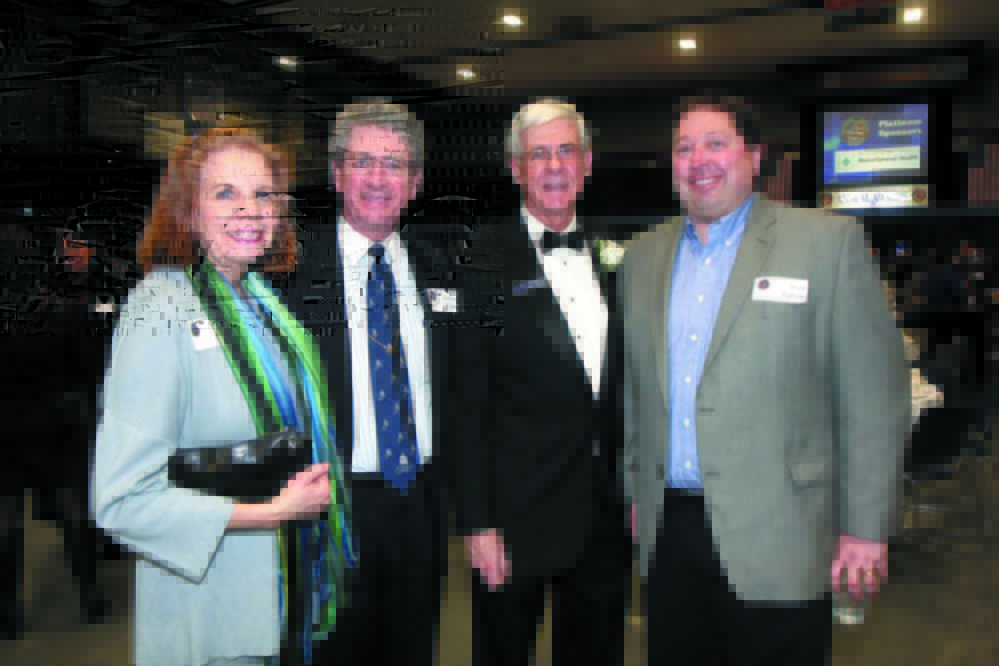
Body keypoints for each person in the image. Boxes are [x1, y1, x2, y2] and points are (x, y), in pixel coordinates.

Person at [619, 95, 911, 666]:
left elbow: (874, 396)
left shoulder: (827, 244)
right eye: (684, 148)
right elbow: (634, 388)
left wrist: (865, 527)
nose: (698, 159)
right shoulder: (641, 257)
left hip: (782, 530)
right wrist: (635, 487)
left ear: (754, 156)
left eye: (716, 143)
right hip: (670, 532)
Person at [92, 128, 354, 666]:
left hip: (273, 588)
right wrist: (271, 510)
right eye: (225, 193)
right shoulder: (159, 307)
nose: (250, 210)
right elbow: (121, 500)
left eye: (263, 195)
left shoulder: (258, 303)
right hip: (210, 603)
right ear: (187, 211)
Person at [279, 100, 463, 666]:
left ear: (415, 182)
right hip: (328, 507)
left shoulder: (443, 270)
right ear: (337, 174)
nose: (378, 179)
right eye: (363, 162)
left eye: (394, 164)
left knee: (412, 649)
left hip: (419, 507)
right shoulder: (287, 274)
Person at [453, 99, 632, 666]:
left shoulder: (618, 260)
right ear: (516, 169)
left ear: (585, 164)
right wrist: (477, 522)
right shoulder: (480, 261)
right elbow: (466, 402)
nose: (554, 166)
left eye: (565, 152)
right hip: (515, 521)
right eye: (539, 154)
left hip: (602, 520)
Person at [0, 228, 114, 639]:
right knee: (73, 508)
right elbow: (87, 370)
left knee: (6, 517)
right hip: (57, 420)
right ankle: (91, 597)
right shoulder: (61, 310)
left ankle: (8, 613)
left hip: (5, 425)